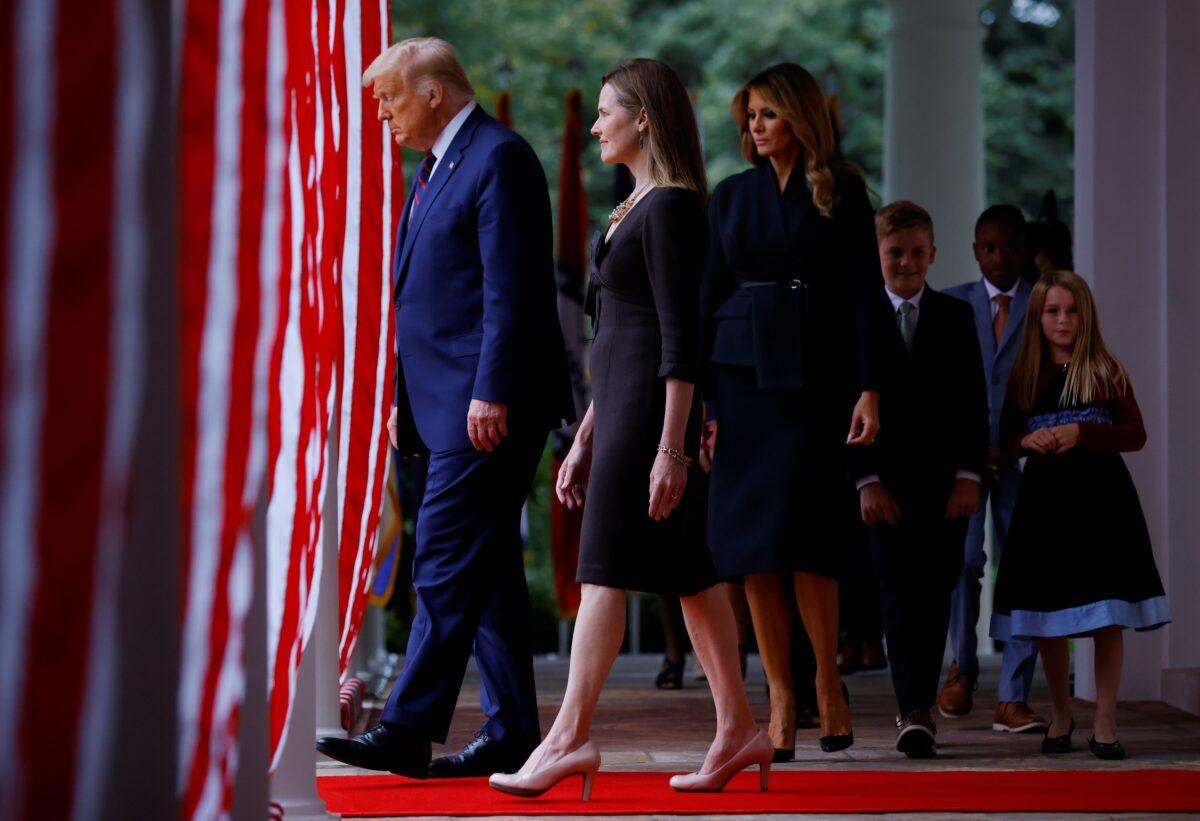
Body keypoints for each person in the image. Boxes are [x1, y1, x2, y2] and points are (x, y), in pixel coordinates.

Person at [490, 59, 769, 801]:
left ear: (643, 118)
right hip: (618, 417)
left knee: (603, 569)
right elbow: (615, 341)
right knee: (692, 576)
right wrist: (583, 437)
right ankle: (739, 728)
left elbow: (681, 342)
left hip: (651, 421)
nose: (594, 127)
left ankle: (570, 736)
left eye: (607, 112)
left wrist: (672, 448)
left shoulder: (673, 206)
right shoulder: (634, 207)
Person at [316, 37, 574, 779]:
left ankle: (405, 727)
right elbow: (416, 303)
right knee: (485, 569)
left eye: (390, 97)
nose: (382, 113)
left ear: (433, 92)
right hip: (436, 407)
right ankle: (512, 731)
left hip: (486, 404)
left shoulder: (500, 156)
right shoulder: (431, 170)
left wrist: (490, 389)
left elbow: (510, 290)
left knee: (442, 555)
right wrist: (399, 399)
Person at [699, 62, 890, 760]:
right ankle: (779, 694)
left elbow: (868, 295)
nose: (755, 127)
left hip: (817, 379)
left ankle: (828, 683)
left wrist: (870, 388)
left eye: (768, 114)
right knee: (754, 546)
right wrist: (706, 405)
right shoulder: (729, 196)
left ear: (800, 118)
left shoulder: (842, 188)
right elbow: (706, 299)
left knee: (810, 537)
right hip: (743, 379)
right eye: (749, 116)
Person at [991, 270, 1169, 760]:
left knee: (1108, 614)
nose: (1063, 320)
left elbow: (1136, 434)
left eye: (1071, 311)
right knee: (1050, 616)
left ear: (1085, 315)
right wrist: (1025, 442)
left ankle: (1106, 719)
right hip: (1045, 509)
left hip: (1102, 506)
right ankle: (1062, 712)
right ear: (1038, 317)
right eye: (1053, 311)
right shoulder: (1026, 375)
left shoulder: (1106, 369)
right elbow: (1002, 445)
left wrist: (1083, 434)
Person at [852, 201, 989, 757]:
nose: (905, 264)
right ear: (877, 256)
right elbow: (845, 404)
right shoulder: (860, 317)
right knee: (894, 594)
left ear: (932, 254)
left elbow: (973, 403)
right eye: (894, 254)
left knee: (935, 593)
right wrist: (865, 480)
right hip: (884, 483)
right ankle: (909, 704)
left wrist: (968, 474)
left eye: (915, 253)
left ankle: (919, 709)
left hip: (942, 485)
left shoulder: (955, 316)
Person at [941, 205, 1046, 734]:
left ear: (1025, 250)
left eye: (1010, 247)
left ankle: (1013, 694)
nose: (999, 256)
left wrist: (1017, 445)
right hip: (966, 461)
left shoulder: (1045, 305)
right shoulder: (954, 303)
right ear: (974, 249)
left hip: (1023, 458)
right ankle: (961, 669)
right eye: (989, 247)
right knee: (963, 562)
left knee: (1022, 569)